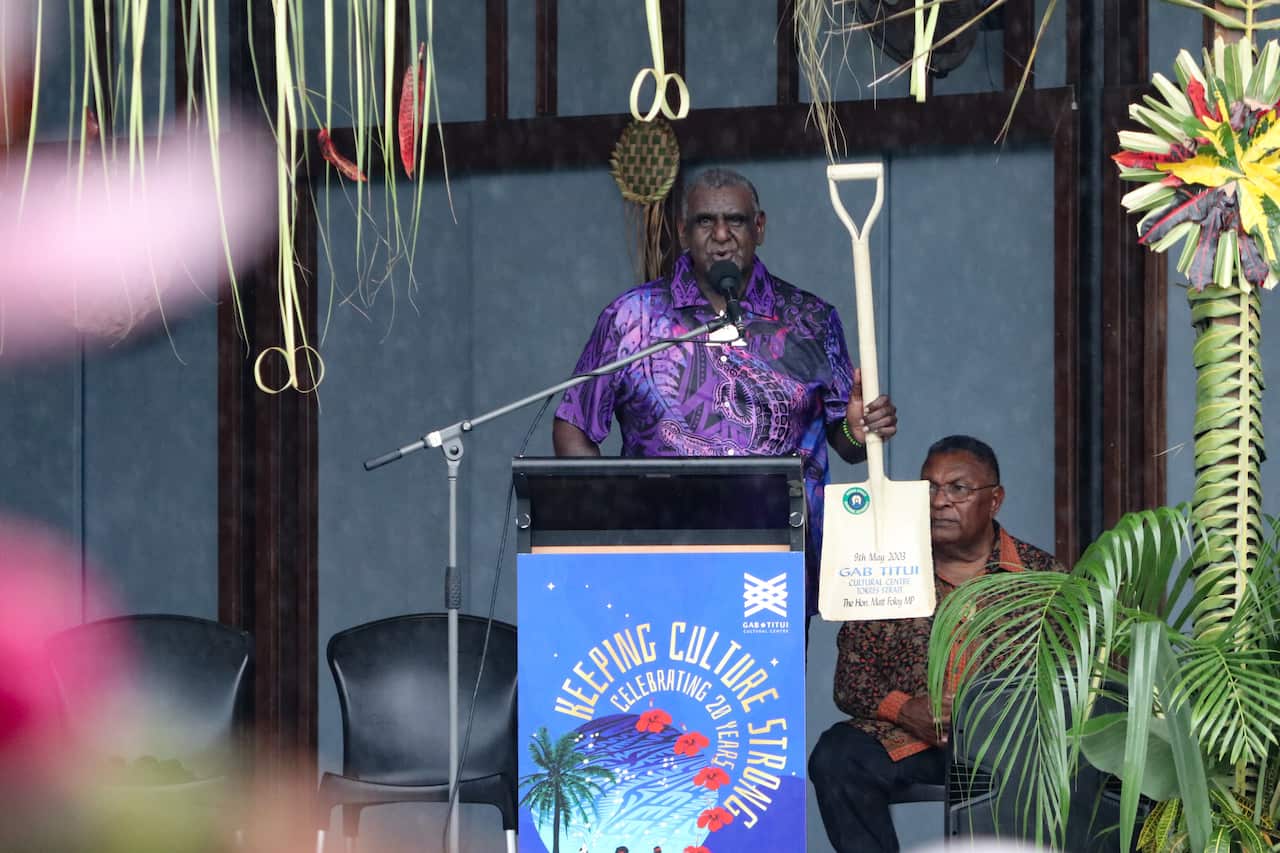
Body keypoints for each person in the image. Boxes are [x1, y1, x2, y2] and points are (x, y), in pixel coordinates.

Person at [553, 168, 897, 618]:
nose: (720, 236)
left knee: (759, 689)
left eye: (735, 221)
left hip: (773, 569)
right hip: (655, 560)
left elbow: (847, 445)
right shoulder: (633, 318)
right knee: (663, 685)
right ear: (682, 232)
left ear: (759, 228)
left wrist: (858, 430)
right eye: (704, 222)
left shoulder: (810, 320)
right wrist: (616, 515)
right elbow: (573, 426)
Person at [808, 435, 1064, 853]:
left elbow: (1074, 675)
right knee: (837, 757)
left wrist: (996, 715)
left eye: (958, 489)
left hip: (1014, 748)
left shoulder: (1040, 578)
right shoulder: (887, 568)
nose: (939, 501)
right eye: (929, 488)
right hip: (914, 739)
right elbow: (850, 682)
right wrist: (904, 709)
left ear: (994, 499)